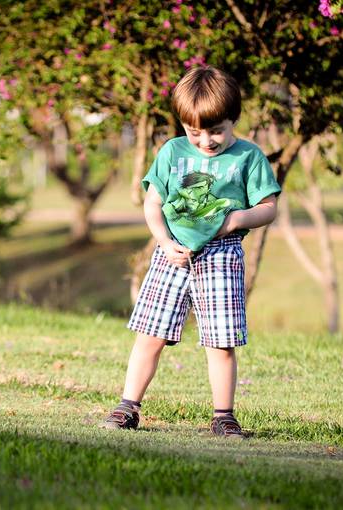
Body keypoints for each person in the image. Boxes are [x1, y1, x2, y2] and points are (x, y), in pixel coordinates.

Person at [101, 66, 281, 438]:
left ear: (234, 119)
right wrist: (165, 243)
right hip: (172, 254)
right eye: (194, 131)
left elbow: (269, 207)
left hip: (221, 255)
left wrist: (237, 219)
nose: (206, 141)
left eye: (216, 131)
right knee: (150, 334)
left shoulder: (248, 157)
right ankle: (128, 407)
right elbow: (153, 203)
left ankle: (223, 416)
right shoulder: (172, 151)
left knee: (220, 340)